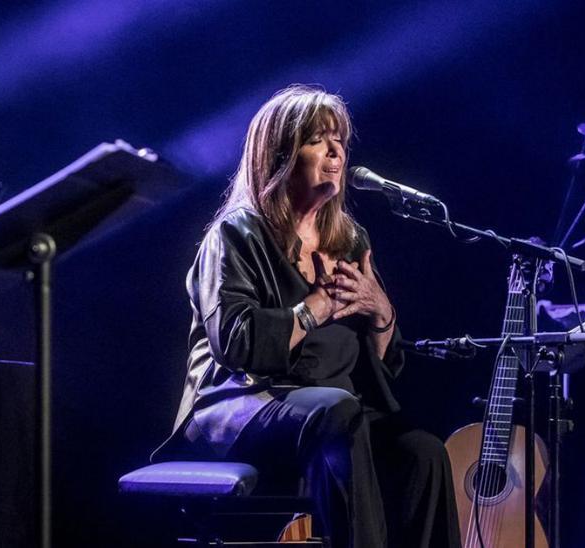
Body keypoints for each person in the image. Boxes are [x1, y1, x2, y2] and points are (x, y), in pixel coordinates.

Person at [153, 85, 460, 547]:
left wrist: (381, 314)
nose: (336, 151)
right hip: (242, 405)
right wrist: (315, 308)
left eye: (340, 139)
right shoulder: (236, 235)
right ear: (279, 155)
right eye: (318, 139)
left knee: (422, 451)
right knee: (335, 410)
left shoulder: (349, 239)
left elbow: (383, 368)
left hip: (333, 415)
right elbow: (237, 345)